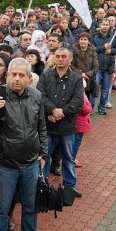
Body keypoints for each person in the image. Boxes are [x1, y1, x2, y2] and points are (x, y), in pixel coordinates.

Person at [0, 58, 48, 231]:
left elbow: (42, 128)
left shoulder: (37, 96)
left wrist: (44, 154)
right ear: (7, 75)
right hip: (5, 165)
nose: (17, 79)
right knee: (1, 209)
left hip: (30, 163)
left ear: (29, 78)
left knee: (30, 207)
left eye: (22, 75)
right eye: (14, 74)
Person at [38, 46, 85, 195]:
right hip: (48, 125)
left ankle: (70, 186)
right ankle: (42, 185)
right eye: (57, 56)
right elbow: (40, 96)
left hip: (67, 127)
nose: (59, 59)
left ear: (70, 60)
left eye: (63, 56)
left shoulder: (76, 78)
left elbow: (78, 102)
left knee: (68, 158)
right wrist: (52, 110)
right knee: (44, 157)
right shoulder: (46, 76)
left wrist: (61, 112)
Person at [90, 17, 116, 113]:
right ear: (100, 25)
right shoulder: (94, 37)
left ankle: (101, 108)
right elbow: (92, 50)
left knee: (106, 89)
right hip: (97, 67)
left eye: (107, 25)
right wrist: (103, 47)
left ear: (109, 26)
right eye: (103, 24)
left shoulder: (113, 37)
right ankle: (90, 107)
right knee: (94, 88)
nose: (105, 26)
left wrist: (111, 51)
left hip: (109, 67)